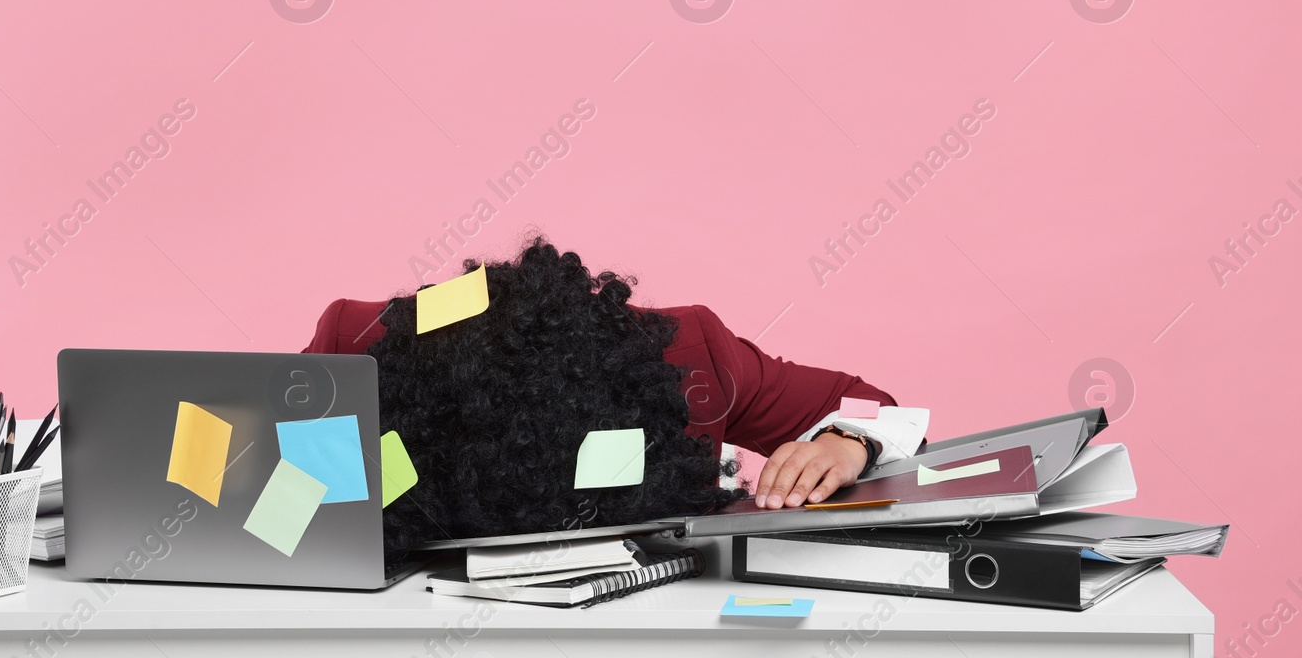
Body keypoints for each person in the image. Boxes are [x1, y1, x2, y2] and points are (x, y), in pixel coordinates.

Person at [303, 238, 921, 554]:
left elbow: (870, 405)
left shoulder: (690, 358)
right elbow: (256, 490)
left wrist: (848, 441)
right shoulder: (359, 347)